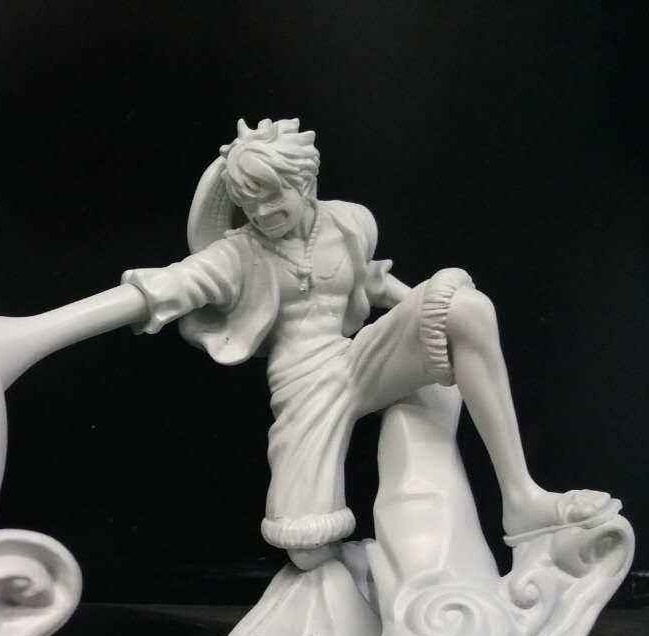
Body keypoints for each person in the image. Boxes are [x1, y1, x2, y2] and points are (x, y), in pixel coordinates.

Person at [122, 118, 613, 570]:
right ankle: (378, 573)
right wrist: (68, 322)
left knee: (466, 308)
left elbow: (373, 285)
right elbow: (161, 287)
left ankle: (522, 499)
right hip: (304, 386)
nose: (261, 212)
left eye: (272, 196)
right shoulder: (237, 252)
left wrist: (435, 319)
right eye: (249, 202)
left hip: (359, 359)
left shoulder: (349, 223)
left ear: (304, 183)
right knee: (307, 551)